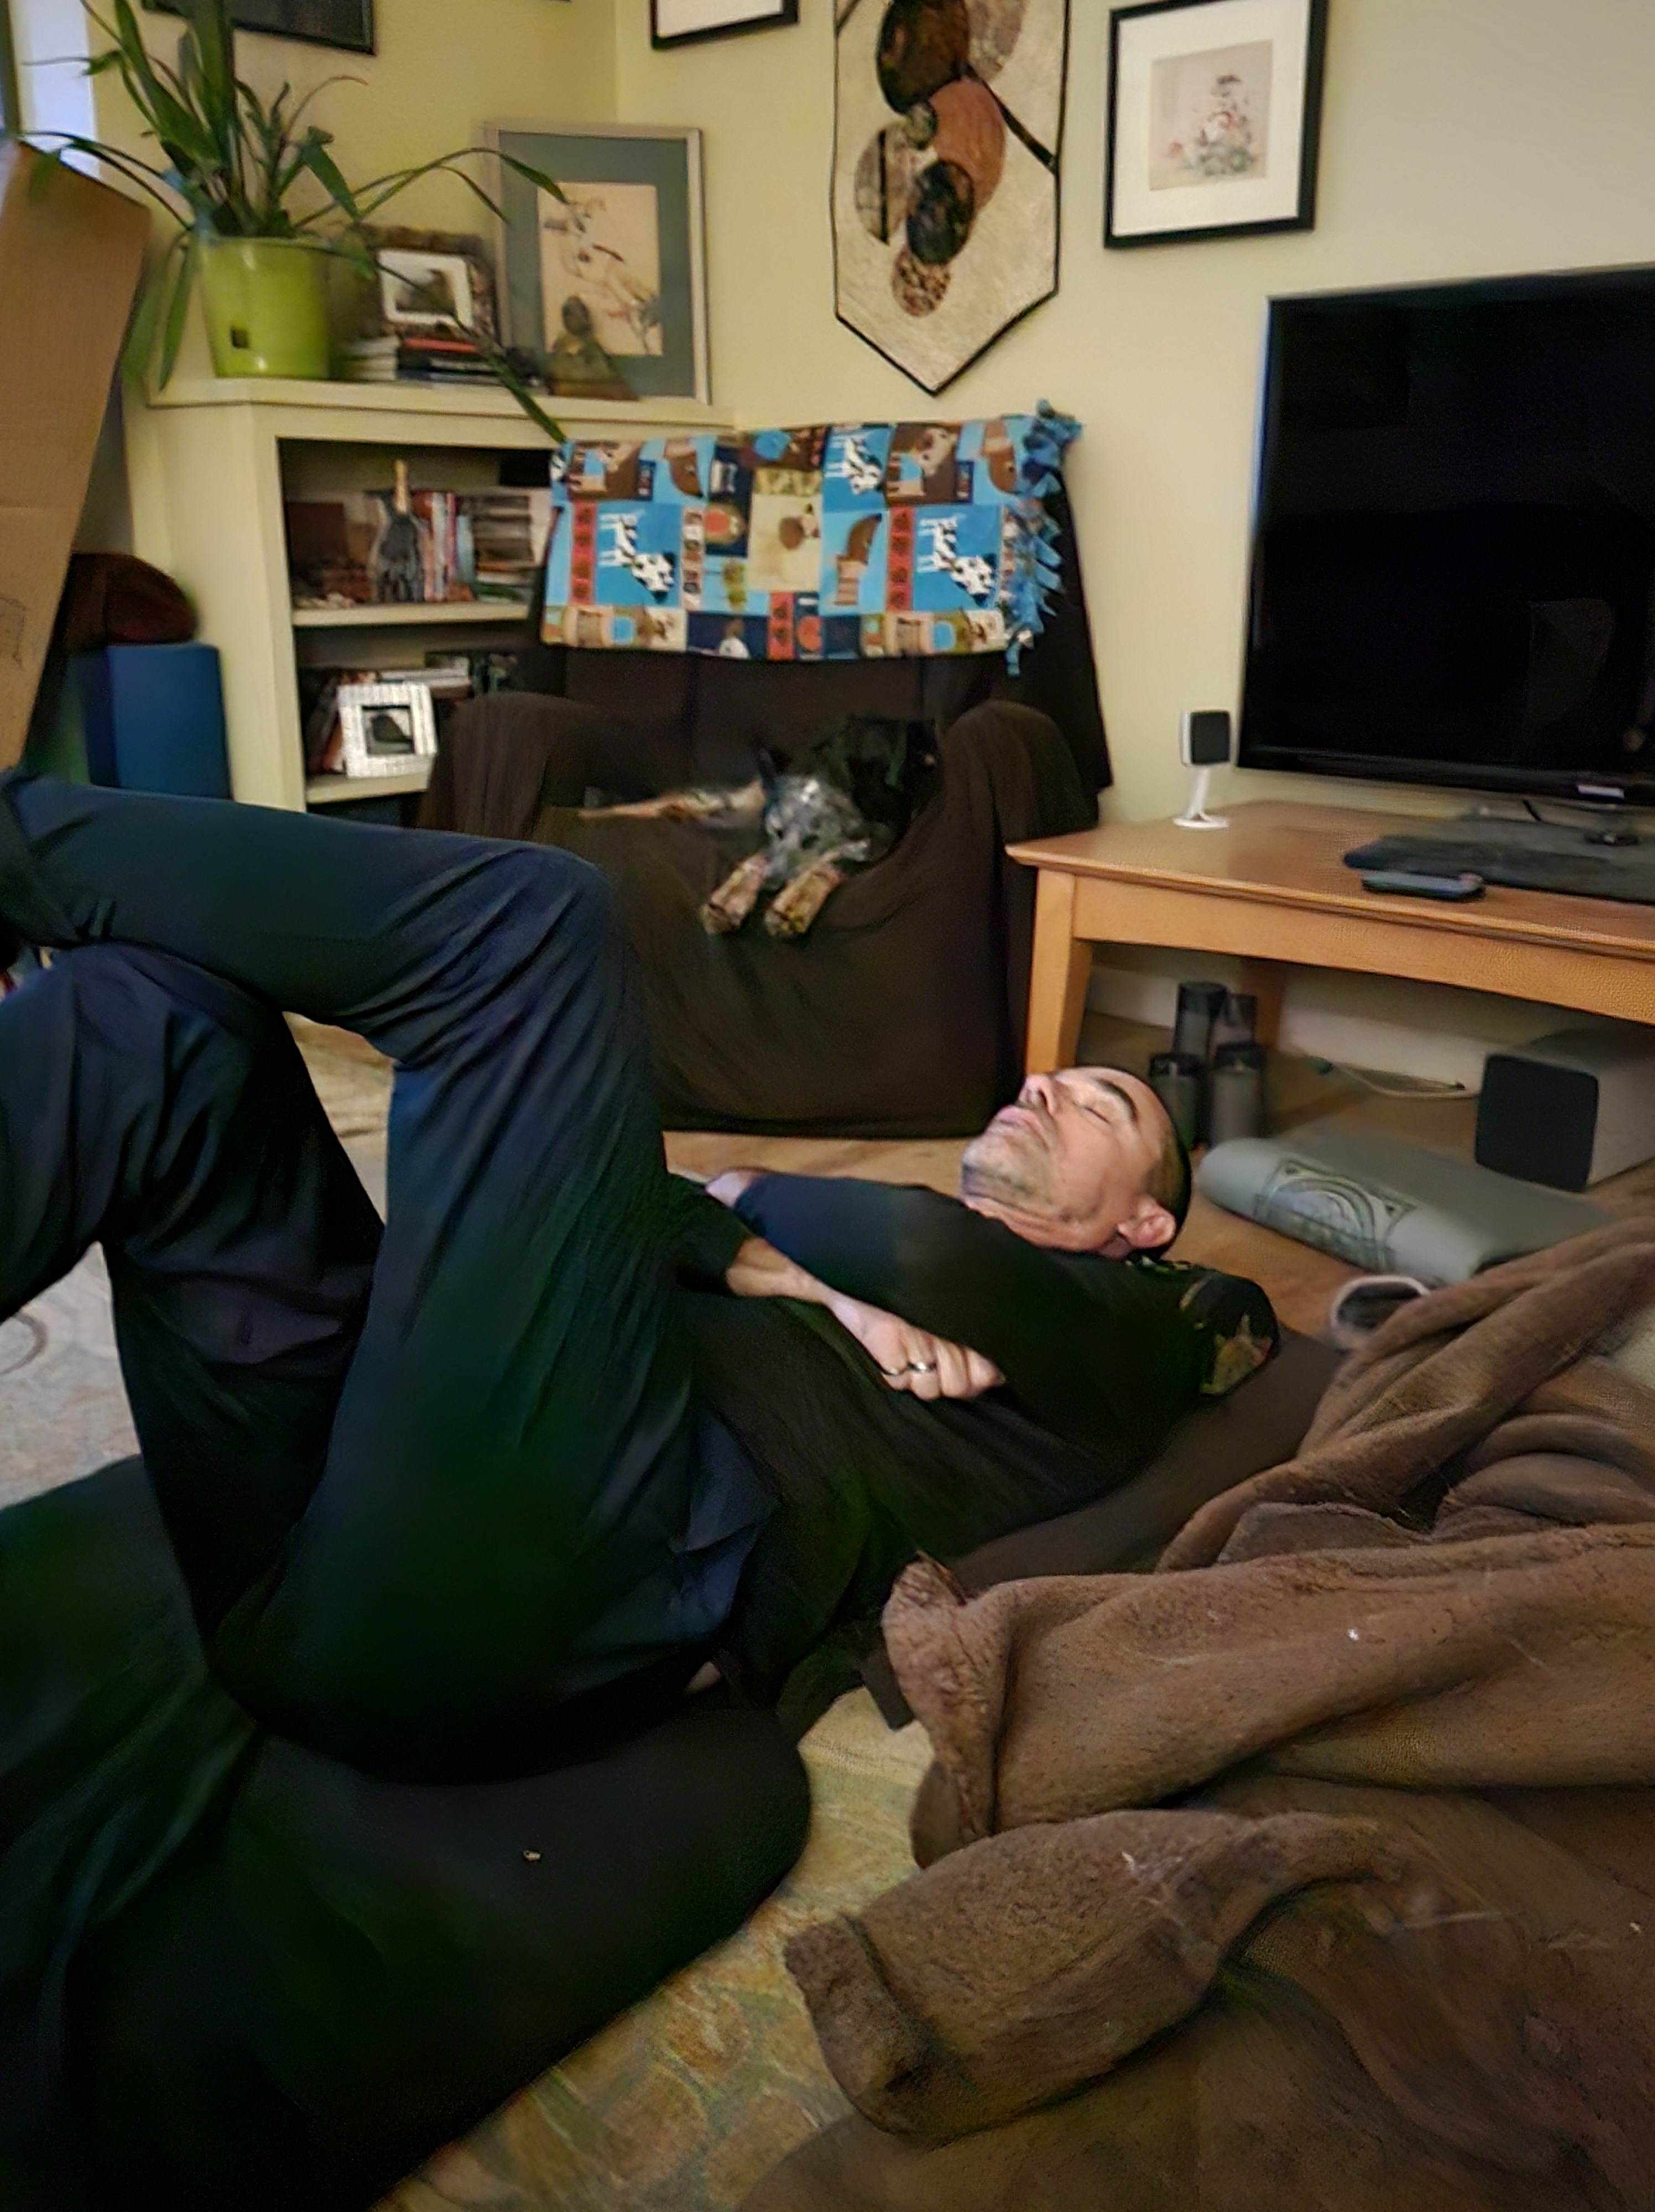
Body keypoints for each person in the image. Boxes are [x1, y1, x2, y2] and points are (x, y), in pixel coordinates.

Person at [0, 771, 1275, 1776]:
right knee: (153, 1020)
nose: (1045, 1084)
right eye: (1051, 1077)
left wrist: (765, 1228)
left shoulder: (1112, 1333)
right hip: (313, 1525)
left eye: (1103, 1102)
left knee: (538, 925)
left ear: (1142, 1225)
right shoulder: (867, 1261)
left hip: (498, 1624)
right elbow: (650, 1199)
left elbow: (923, 1250)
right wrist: (793, 1277)